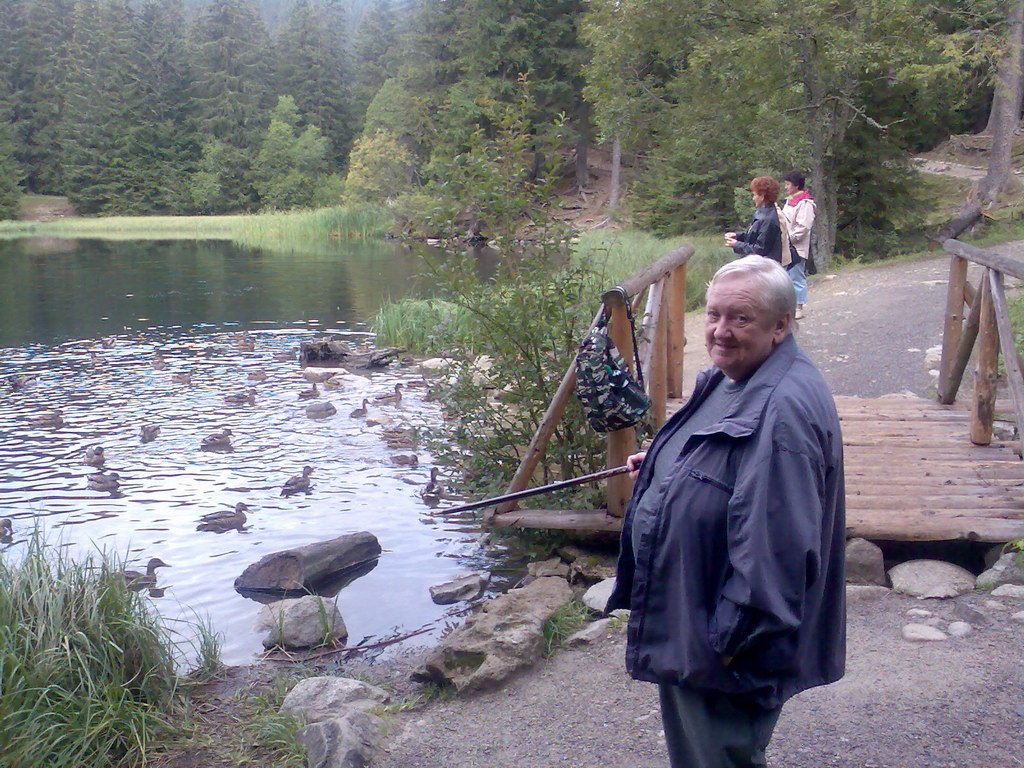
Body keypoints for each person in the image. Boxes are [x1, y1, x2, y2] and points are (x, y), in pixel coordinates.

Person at [606, 255, 846, 768]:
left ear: (781, 324)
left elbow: (779, 555)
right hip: (700, 622)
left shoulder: (783, 411)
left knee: (717, 758)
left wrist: (728, 645)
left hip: (722, 646)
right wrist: (668, 464)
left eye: (740, 318)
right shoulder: (732, 377)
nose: (720, 332)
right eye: (713, 315)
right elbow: (726, 456)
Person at [724, 176, 785, 263]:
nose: (753, 198)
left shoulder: (768, 219)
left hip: (765, 268)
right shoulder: (762, 213)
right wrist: (737, 236)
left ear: (762, 196)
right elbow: (754, 237)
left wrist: (737, 245)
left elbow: (760, 250)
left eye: (754, 195)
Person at [781, 171, 816, 319]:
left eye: (788, 184)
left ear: (796, 185)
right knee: (785, 277)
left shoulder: (805, 203)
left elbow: (804, 226)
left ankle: (799, 306)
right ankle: (789, 307)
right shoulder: (790, 201)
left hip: (797, 246)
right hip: (786, 246)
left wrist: (791, 239)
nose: (786, 187)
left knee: (796, 275)